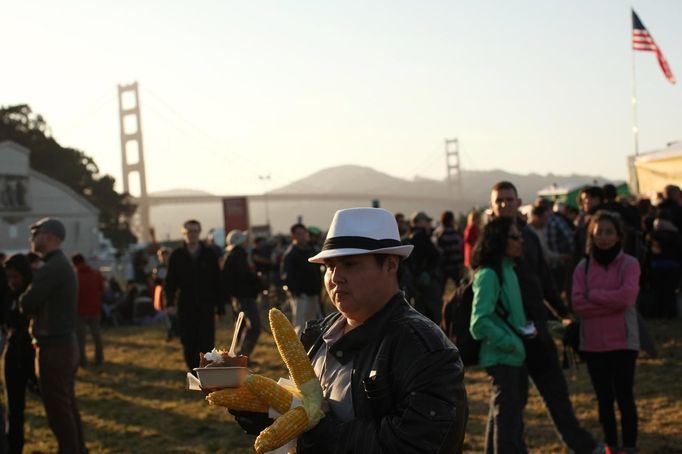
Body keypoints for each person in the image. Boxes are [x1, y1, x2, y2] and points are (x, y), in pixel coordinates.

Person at [235, 207, 468, 452]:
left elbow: (415, 443)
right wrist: (257, 410)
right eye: (329, 266)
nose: (335, 277)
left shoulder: (423, 349)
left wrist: (317, 431)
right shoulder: (319, 333)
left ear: (390, 265)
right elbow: (302, 408)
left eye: (350, 264)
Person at [489, 182, 599, 454]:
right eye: (499, 200)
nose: (504, 204)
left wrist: (563, 313)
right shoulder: (488, 242)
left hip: (537, 329)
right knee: (509, 407)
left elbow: (545, 283)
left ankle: (584, 446)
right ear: (492, 205)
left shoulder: (530, 238)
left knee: (556, 394)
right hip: (506, 335)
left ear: (518, 201)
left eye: (509, 199)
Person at [572, 211, 641, 453]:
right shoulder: (583, 266)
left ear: (619, 235)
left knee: (625, 398)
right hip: (592, 345)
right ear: (591, 234)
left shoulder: (630, 264)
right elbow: (578, 303)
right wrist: (609, 302)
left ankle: (630, 446)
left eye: (609, 231)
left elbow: (627, 298)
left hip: (623, 343)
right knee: (604, 401)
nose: (603, 237)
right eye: (599, 231)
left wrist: (594, 296)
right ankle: (612, 446)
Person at [19, 218, 86, 454]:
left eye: (35, 233)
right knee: (66, 404)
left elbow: (27, 302)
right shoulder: (60, 265)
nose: (32, 238)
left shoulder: (51, 268)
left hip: (53, 348)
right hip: (64, 344)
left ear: (48, 236)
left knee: (58, 409)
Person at [470, 217, 529, 453]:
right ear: (499, 240)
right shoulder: (489, 275)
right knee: (507, 427)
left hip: (511, 357)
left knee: (503, 421)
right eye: (514, 237)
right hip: (502, 358)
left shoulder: (509, 270)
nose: (520, 240)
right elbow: (479, 322)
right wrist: (512, 344)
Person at [165, 219, 221, 371]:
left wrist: (220, 306)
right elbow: (170, 282)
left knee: (207, 341)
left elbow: (217, 281)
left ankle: (206, 372)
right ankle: (194, 371)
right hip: (186, 304)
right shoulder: (177, 255)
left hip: (206, 305)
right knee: (188, 341)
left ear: (199, 232)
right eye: (190, 231)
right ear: (184, 233)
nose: (193, 234)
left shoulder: (209, 254)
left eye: (196, 231)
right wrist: (169, 303)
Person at [4, 254, 38, 454]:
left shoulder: (32, 295)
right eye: (9, 277)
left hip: (32, 354)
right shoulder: (8, 296)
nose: (12, 282)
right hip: (13, 354)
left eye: (16, 277)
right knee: (14, 409)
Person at [221, 230, 262, 357]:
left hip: (238, 297)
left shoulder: (230, 255)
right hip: (245, 297)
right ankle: (242, 355)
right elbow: (244, 277)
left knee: (241, 326)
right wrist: (257, 280)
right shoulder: (239, 255)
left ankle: (238, 357)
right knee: (254, 326)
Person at [281, 223, 323, 333]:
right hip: (300, 295)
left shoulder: (311, 250)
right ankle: (297, 348)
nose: (303, 236)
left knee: (312, 323)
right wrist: (296, 292)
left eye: (304, 233)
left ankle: (310, 348)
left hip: (313, 293)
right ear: (293, 236)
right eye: (299, 234)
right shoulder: (291, 253)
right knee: (300, 323)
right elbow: (286, 276)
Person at [406, 211, 443, 324]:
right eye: (426, 221)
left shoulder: (410, 237)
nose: (428, 224)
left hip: (416, 281)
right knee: (432, 313)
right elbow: (433, 255)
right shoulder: (421, 236)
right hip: (427, 281)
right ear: (419, 222)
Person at [71, 253, 105, 367]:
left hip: (80, 311)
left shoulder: (74, 276)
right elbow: (102, 289)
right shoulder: (96, 274)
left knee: (81, 339)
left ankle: (83, 361)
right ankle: (99, 358)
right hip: (95, 309)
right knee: (97, 336)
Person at [434, 210, 464, 293]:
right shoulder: (454, 233)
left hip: (442, 266)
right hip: (454, 265)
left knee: (440, 289)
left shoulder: (438, 233)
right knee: (460, 287)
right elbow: (457, 250)